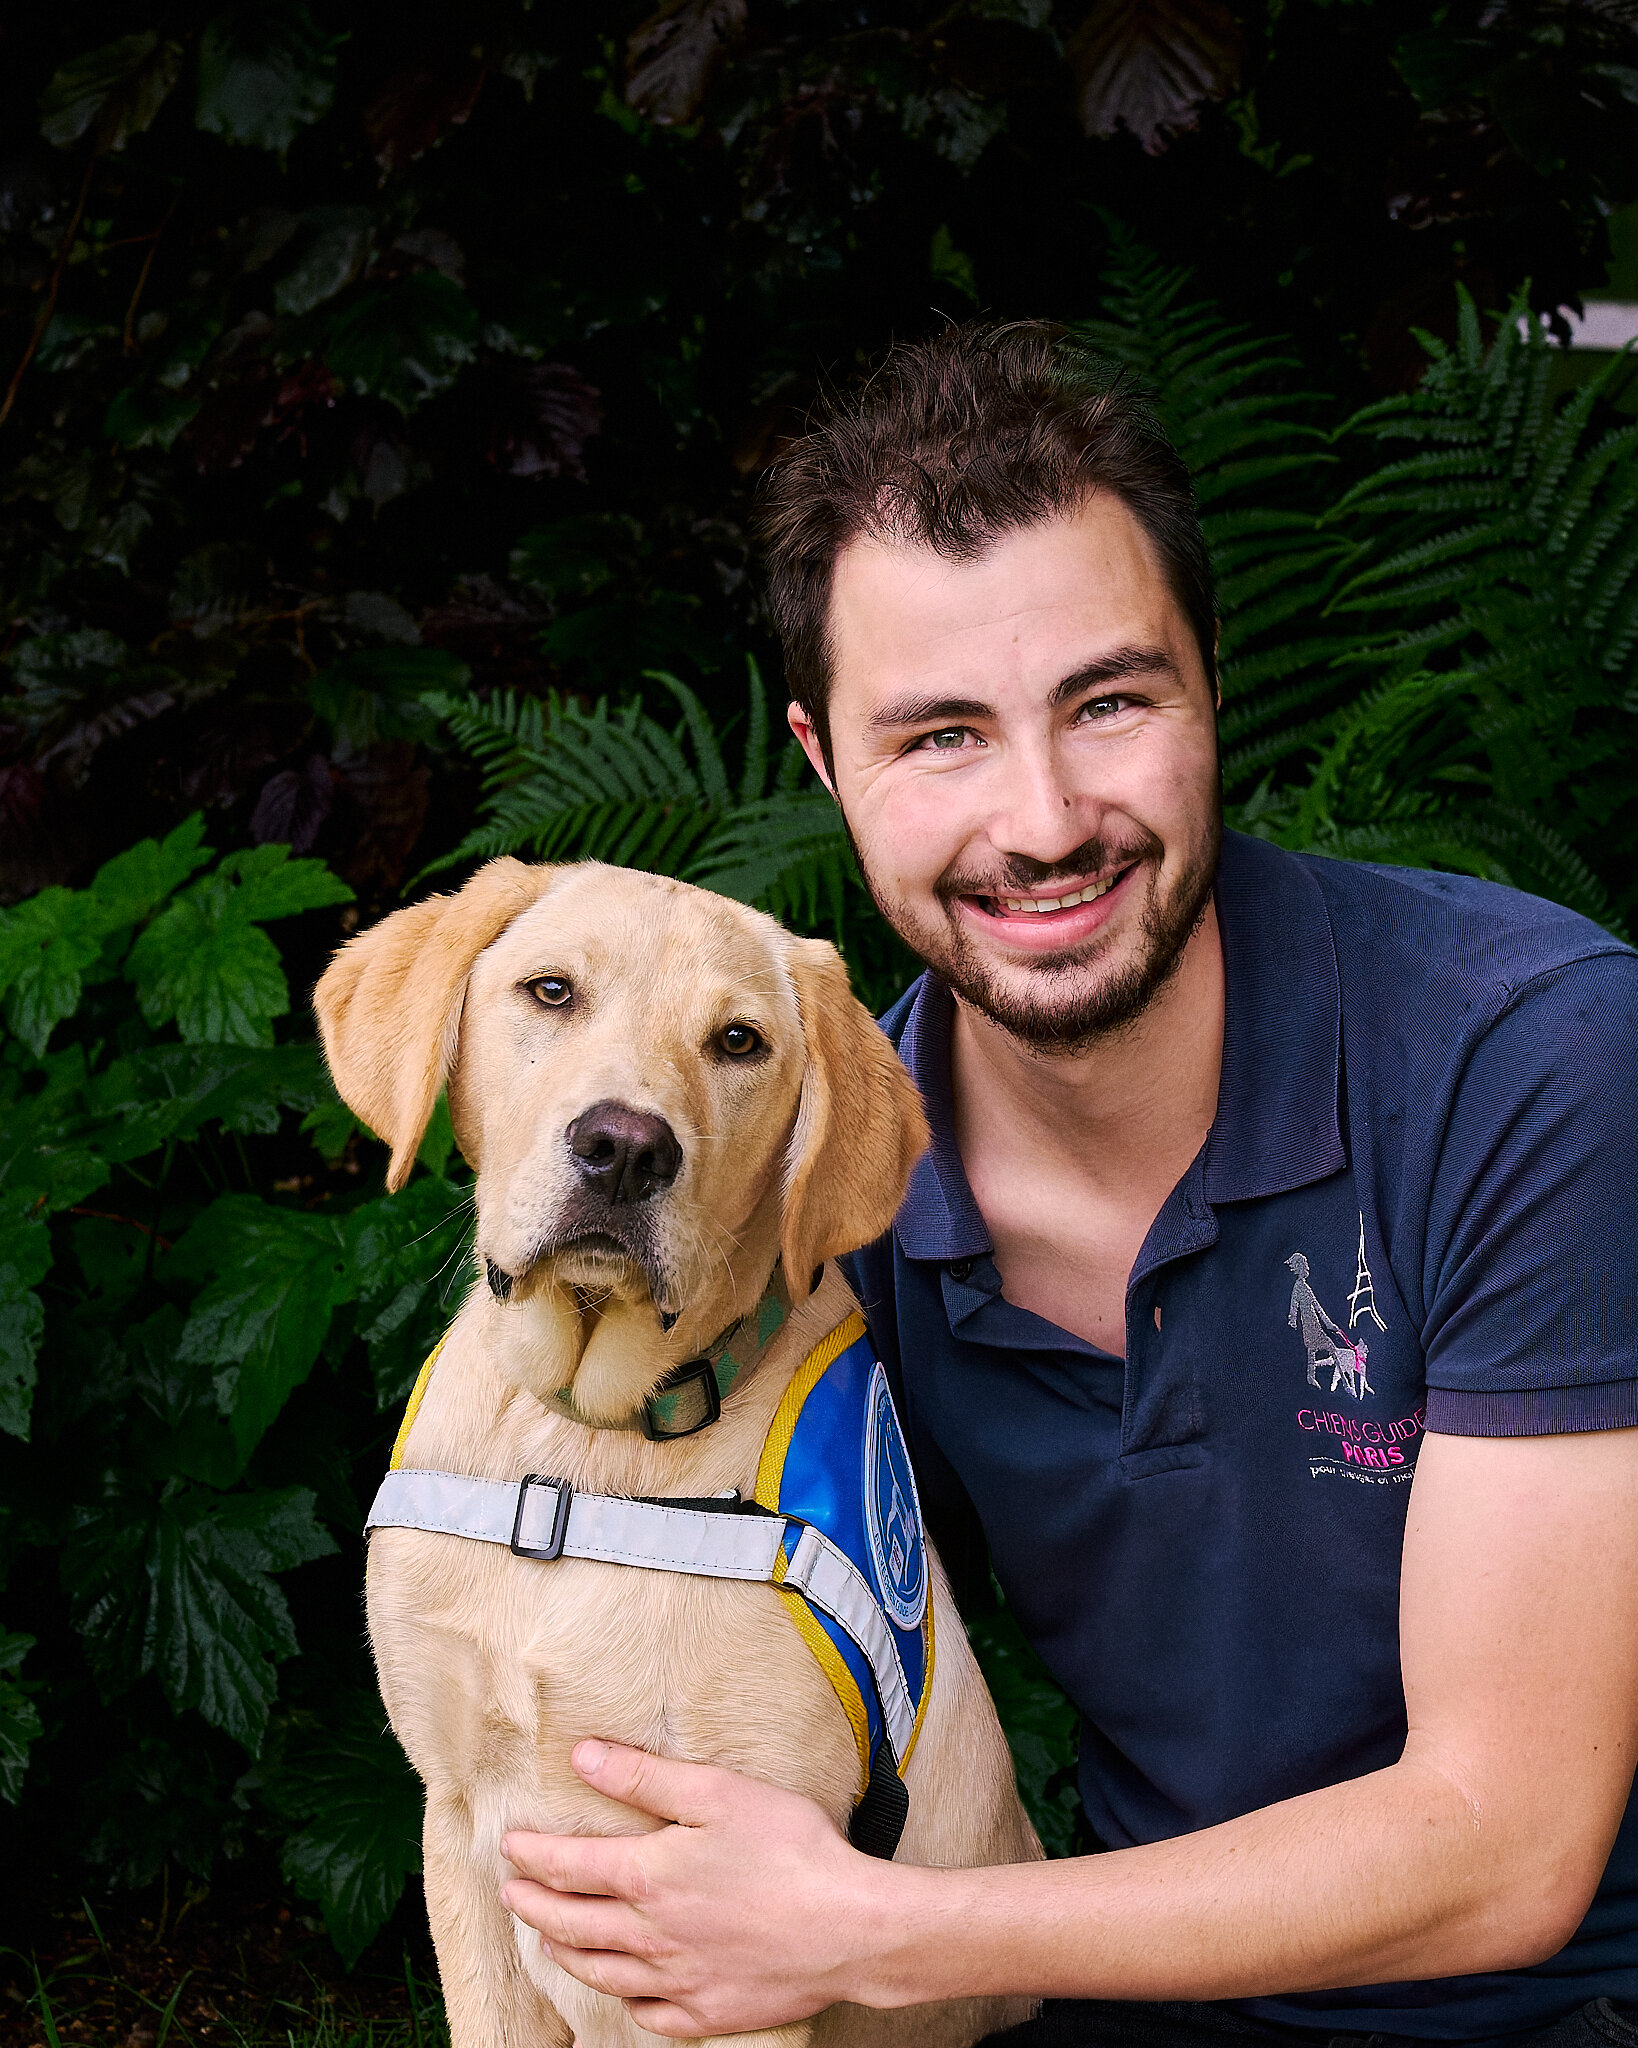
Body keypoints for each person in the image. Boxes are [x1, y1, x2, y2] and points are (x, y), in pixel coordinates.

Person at [498, 323, 1638, 2047]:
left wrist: (879, 1932)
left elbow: (1507, 1847)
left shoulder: (1529, 1061)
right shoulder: (823, 1182)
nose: (1040, 822)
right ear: (823, 761)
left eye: (1108, 704)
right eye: (939, 736)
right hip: (1137, 1990)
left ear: (1210, 684)